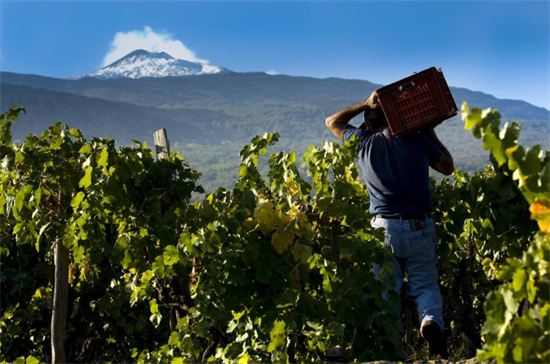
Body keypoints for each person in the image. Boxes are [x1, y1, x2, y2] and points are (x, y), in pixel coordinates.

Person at [325, 91, 454, 359]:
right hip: (420, 226)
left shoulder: (362, 141)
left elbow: (332, 122)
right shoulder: (417, 139)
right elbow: (447, 166)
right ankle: (430, 321)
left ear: (369, 124)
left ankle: (391, 352)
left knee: (386, 295)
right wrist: (428, 131)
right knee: (426, 286)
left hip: (383, 229)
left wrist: (363, 103)